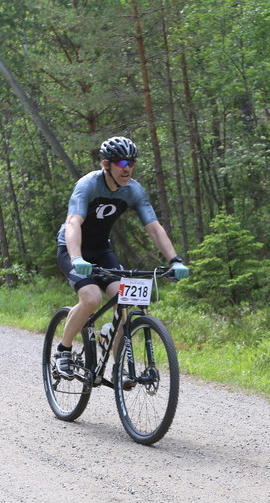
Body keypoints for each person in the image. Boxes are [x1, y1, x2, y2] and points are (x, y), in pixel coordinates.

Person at [54, 136, 189, 378]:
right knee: (91, 297)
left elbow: (154, 227)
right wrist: (76, 258)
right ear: (106, 164)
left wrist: (174, 260)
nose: (127, 168)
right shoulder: (88, 185)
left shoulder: (133, 190)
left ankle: (119, 369)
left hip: (101, 250)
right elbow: (73, 222)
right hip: (73, 248)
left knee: (123, 301)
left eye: (132, 163)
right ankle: (63, 350)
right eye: (122, 162)